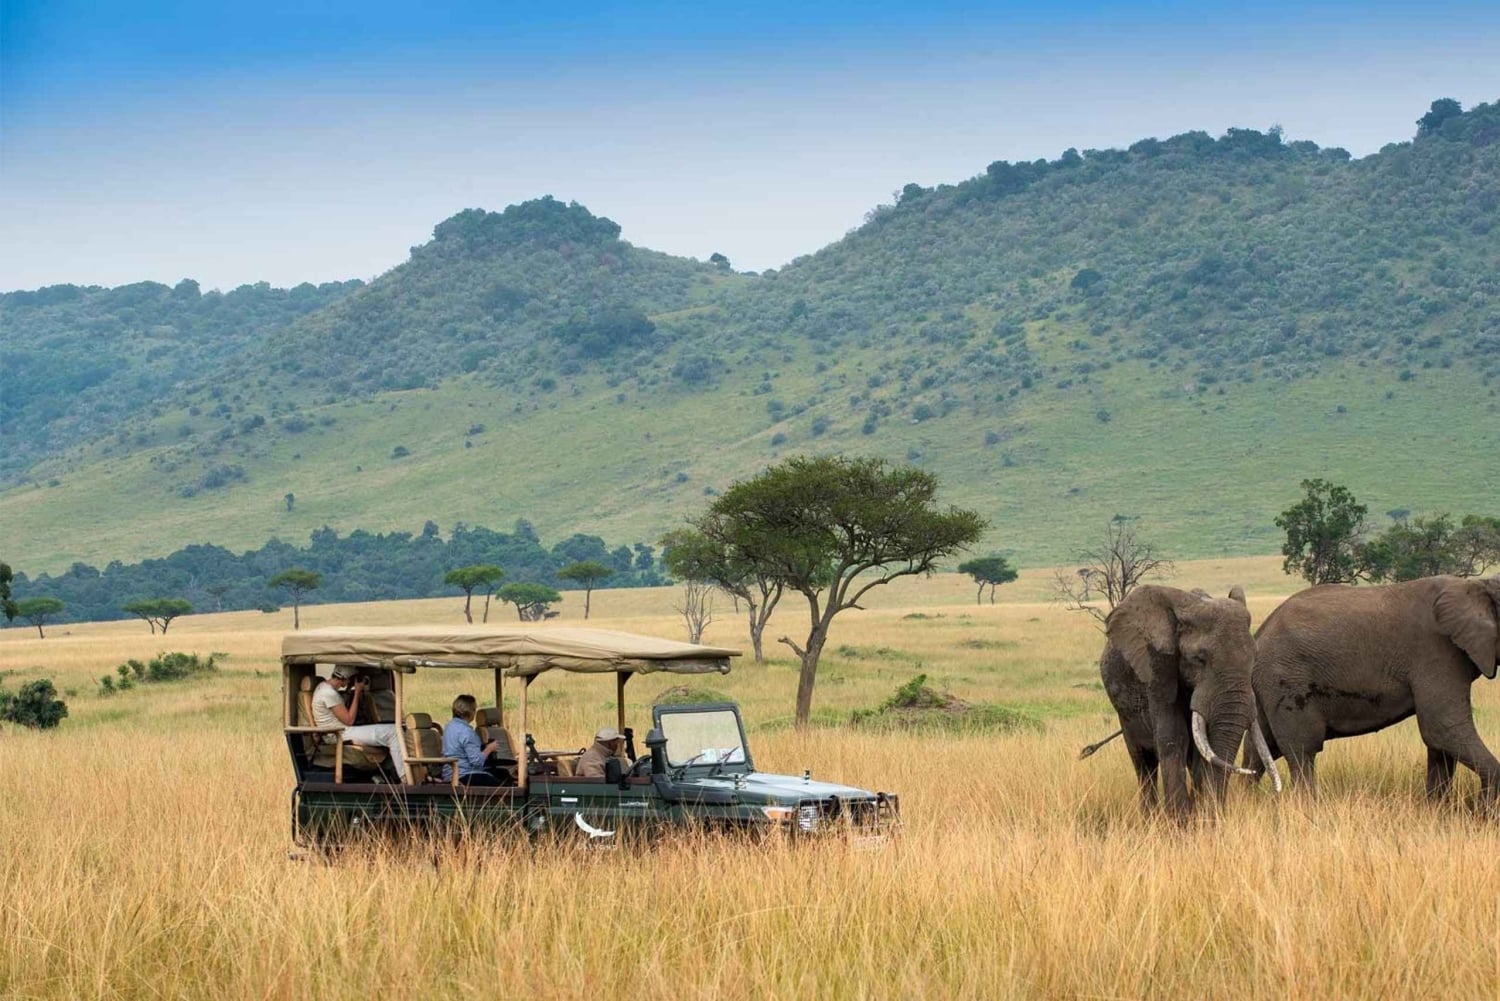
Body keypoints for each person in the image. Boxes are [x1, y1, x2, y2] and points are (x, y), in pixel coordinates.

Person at [311, 666, 409, 782]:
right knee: (394, 732)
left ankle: (389, 774)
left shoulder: (323, 687)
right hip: (339, 734)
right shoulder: (328, 693)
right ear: (344, 678)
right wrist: (357, 691)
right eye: (350, 679)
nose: (351, 682)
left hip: (340, 731)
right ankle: (406, 778)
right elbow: (349, 720)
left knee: (393, 730)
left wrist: (349, 690)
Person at [441, 694, 505, 787]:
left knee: (501, 773)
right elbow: (477, 762)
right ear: (470, 712)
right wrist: (489, 749)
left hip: (449, 774)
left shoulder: (449, 726)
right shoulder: (467, 732)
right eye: (474, 710)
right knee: (503, 785)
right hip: (464, 775)